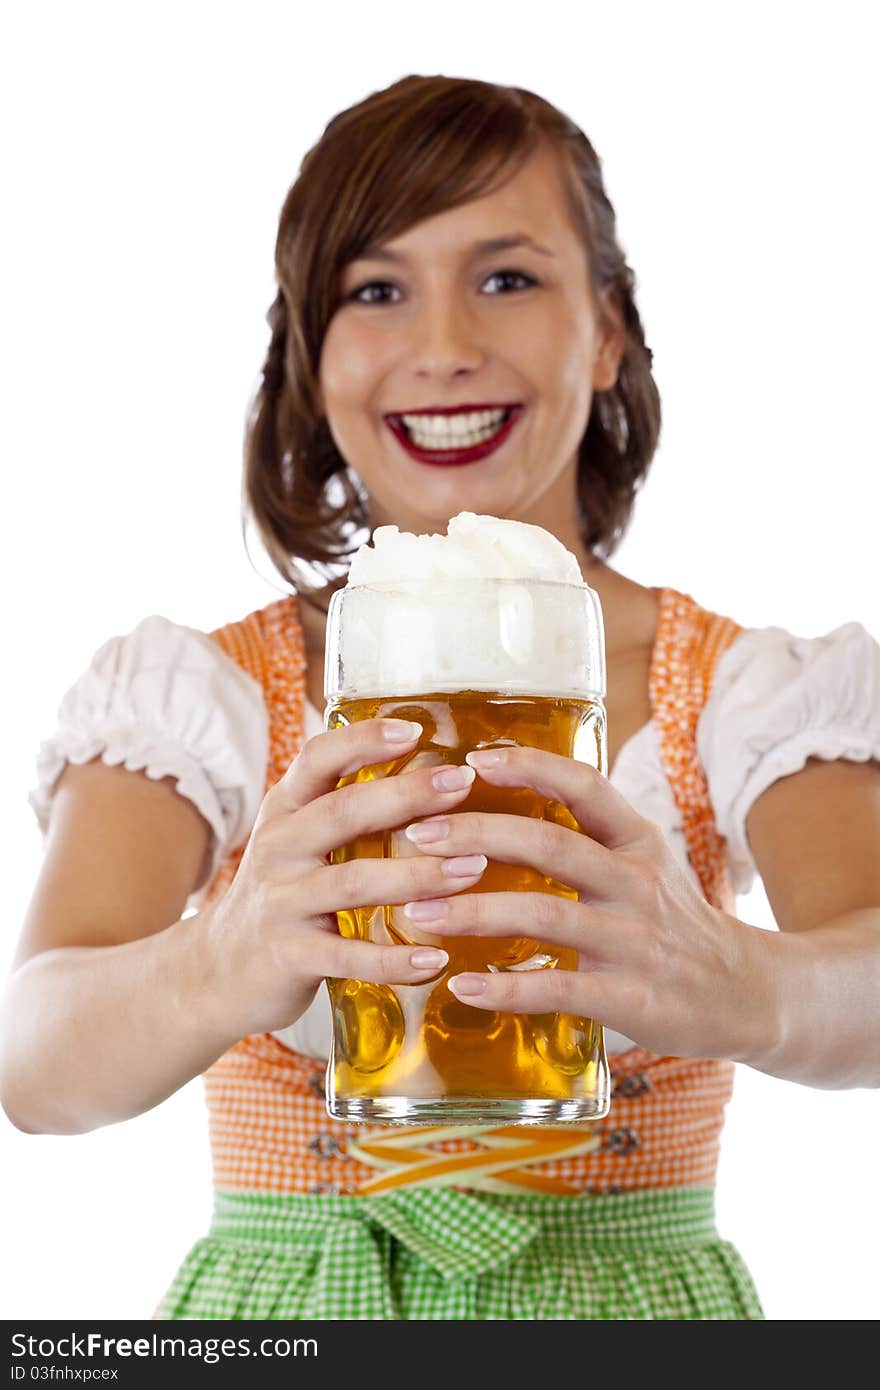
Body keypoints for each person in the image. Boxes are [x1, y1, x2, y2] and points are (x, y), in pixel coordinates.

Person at [3, 73, 880, 1322]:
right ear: (312, 361)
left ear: (610, 328)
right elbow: (33, 1063)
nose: (443, 346)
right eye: (375, 290)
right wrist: (218, 960)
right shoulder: (198, 692)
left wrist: (751, 981)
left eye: (508, 276)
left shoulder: (750, 692)